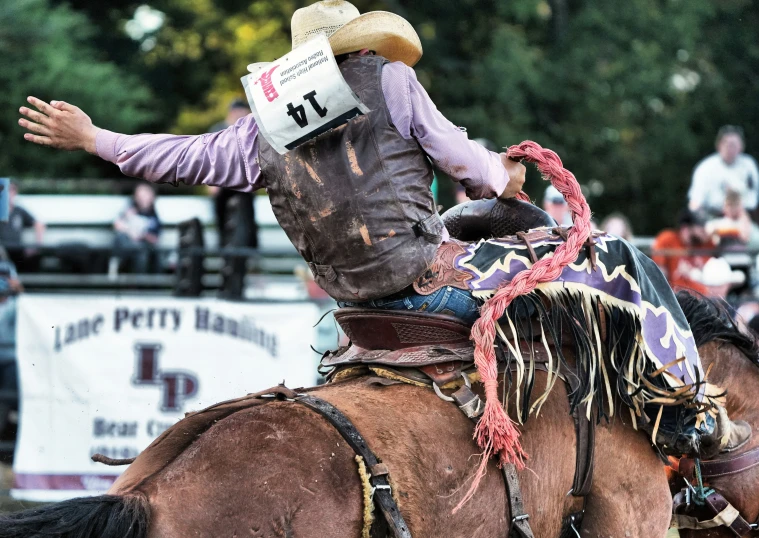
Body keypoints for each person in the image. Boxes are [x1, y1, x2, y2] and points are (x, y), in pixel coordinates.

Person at [16, 0, 745, 462]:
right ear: (359, 44)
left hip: (349, 316)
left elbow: (178, 156)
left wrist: (96, 137)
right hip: (428, 289)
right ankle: (688, 413)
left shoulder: (262, 128)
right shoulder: (388, 81)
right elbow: (468, 164)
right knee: (613, 260)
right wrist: (502, 174)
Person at [207, 99, 259, 299]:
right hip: (224, 189)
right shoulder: (219, 130)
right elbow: (208, 157)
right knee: (227, 237)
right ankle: (227, 281)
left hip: (244, 190)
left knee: (245, 235)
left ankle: (240, 280)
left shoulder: (249, 131)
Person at [688, 125, 759, 217]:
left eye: (734, 144)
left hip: (748, 217)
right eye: (728, 144)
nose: (731, 148)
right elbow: (695, 202)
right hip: (715, 217)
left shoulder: (749, 165)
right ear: (719, 145)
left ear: (741, 146)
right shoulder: (706, 168)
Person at [652, 209, 713, 295]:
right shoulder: (668, 239)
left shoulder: (707, 244)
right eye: (700, 226)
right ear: (685, 228)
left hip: (705, 299)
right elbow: (658, 272)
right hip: (677, 299)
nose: (704, 230)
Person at [112, 183, 162, 274]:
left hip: (143, 248)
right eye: (139, 195)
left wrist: (142, 235)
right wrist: (129, 225)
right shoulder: (130, 209)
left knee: (140, 253)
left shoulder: (153, 216)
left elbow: (155, 239)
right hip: (127, 247)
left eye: (145, 195)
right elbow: (117, 225)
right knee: (121, 239)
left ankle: (138, 285)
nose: (142, 198)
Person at [0, 182, 46, 272]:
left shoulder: (19, 210)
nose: (9, 193)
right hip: (3, 250)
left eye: (12, 190)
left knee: (35, 259)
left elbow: (39, 224)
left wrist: (37, 246)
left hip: (17, 250)